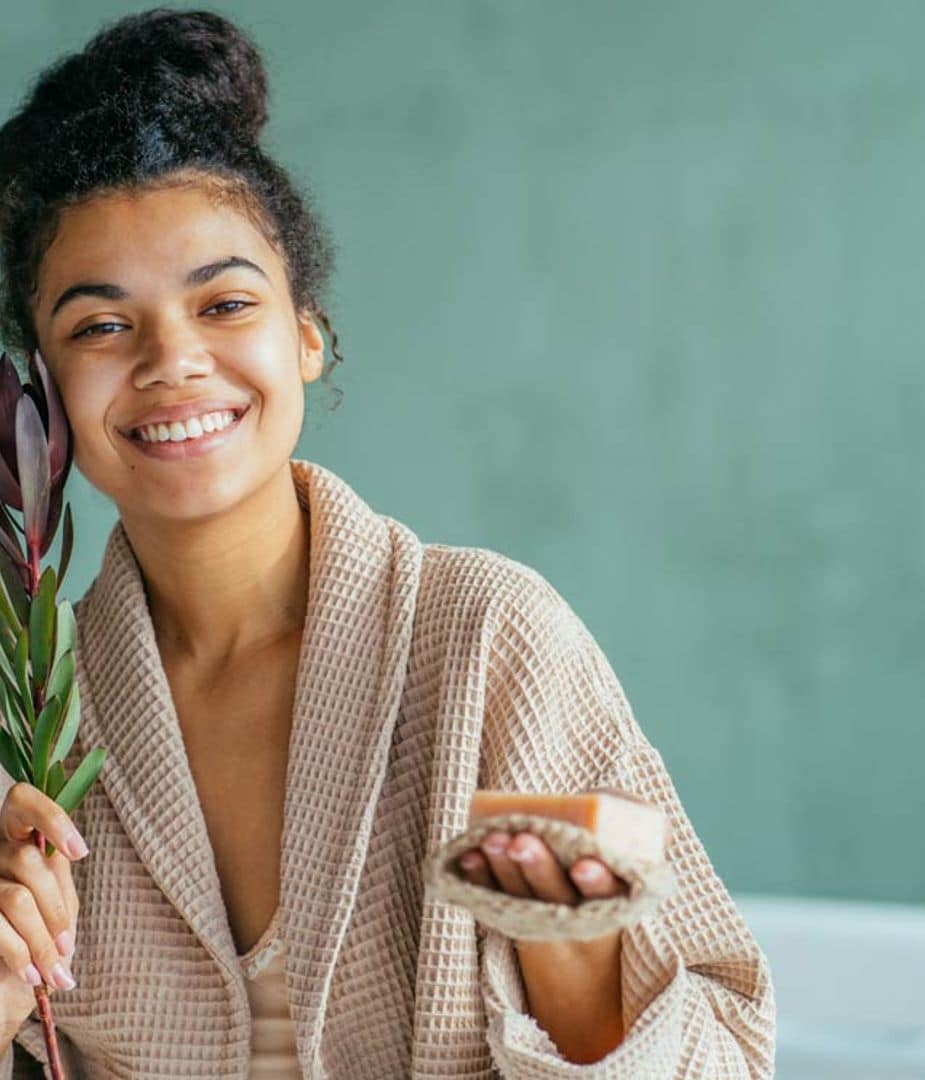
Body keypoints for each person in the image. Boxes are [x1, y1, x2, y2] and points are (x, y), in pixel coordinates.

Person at [0, 8, 775, 1078]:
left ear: (307, 335)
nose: (171, 361)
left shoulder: (490, 649)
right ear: (40, 388)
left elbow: (725, 1063)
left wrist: (574, 941)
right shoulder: (34, 722)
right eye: (99, 325)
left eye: (225, 302)